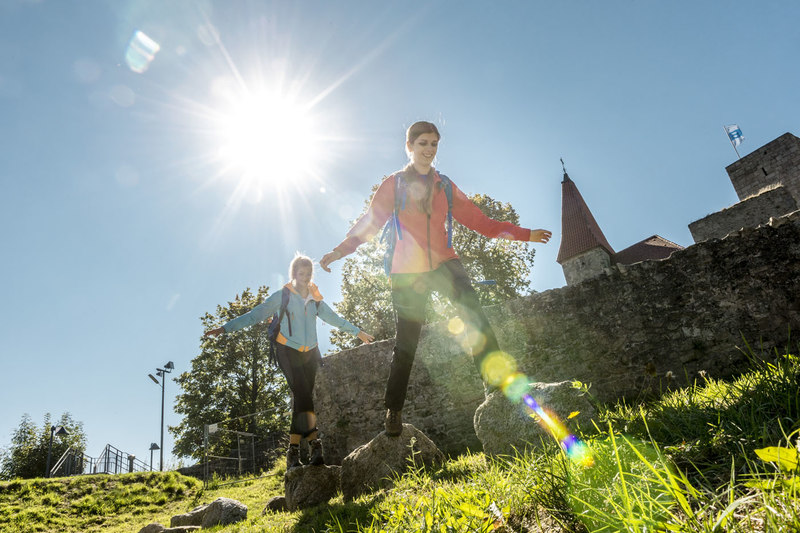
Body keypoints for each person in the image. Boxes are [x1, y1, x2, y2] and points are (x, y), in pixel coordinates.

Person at [320, 121, 551, 437]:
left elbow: (481, 223)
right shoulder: (395, 184)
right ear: (410, 147)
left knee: (475, 317)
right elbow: (369, 225)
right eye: (423, 143)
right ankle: (393, 410)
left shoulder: (445, 186)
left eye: (434, 144)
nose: (429, 150)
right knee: (407, 342)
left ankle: (497, 382)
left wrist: (525, 235)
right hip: (406, 273)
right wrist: (338, 251)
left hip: (445, 264)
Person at [205, 254, 374, 469]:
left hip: (310, 352)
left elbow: (334, 318)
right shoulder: (282, 295)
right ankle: (314, 445)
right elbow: (255, 315)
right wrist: (225, 328)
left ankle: (293, 452)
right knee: (303, 394)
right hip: (287, 350)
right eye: (300, 274)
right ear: (293, 275)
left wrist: (357, 332)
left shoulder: (315, 298)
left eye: (307, 274)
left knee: (303, 399)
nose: (304, 278)